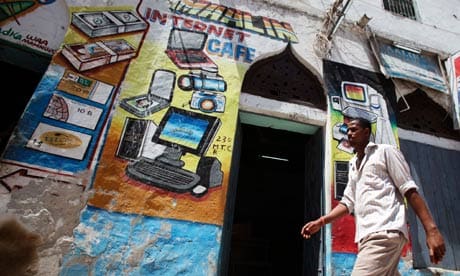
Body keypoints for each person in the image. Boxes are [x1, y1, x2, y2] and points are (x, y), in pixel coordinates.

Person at [301, 117, 446, 275]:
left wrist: (431, 231)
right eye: (347, 130)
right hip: (367, 236)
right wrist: (321, 222)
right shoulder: (353, 165)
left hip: (383, 232)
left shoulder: (385, 152)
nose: (349, 133)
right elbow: (348, 203)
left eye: (354, 129)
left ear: (366, 132)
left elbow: (409, 190)